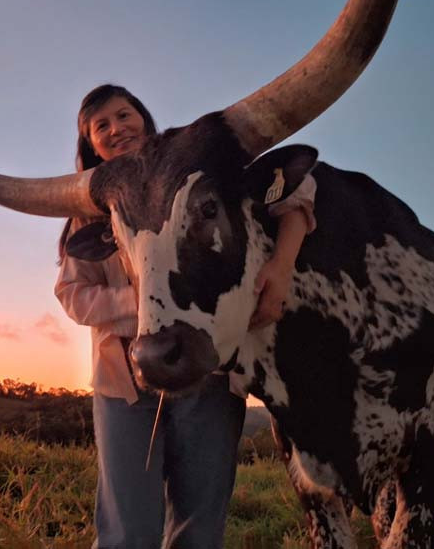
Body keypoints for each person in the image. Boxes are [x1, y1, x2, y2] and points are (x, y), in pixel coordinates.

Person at [54, 84, 315, 549]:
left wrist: (281, 267)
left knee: (199, 524)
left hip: (210, 367)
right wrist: (145, 306)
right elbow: (73, 294)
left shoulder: (199, 171)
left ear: (144, 118)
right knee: (126, 528)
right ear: (90, 145)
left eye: (124, 115)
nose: (117, 129)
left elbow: (299, 189)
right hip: (126, 379)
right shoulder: (91, 216)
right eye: (102, 126)